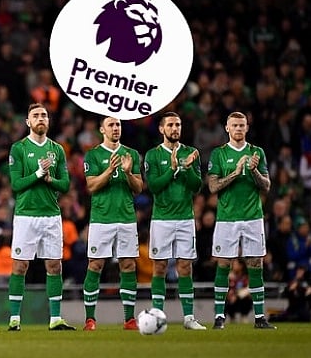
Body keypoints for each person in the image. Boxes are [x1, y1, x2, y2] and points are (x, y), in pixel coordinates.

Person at [6, 103, 75, 331]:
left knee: (54, 265)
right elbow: (16, 184)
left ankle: (55, 318)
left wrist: (49, 180)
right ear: (28, 122)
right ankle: (14, 318)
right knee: (19, 266)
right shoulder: (19, 148)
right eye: (35, 116)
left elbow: (65, 185)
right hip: (26, 215)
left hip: (51, 215)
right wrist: (37, 173)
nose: (40, 119)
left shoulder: (57, 149)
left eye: (44, 115)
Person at [207, 111, 276, 329]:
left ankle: (259, 318)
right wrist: (236, 173)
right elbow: (212, 187)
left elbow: (266, 186)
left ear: (247, 128)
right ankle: (219, 316)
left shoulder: (257, 152)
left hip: (252, 217)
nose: (238, 129)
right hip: (227, 218)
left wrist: (254, 171)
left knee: (256, 263)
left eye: (242, 125)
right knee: (224, 263)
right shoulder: (218, 154)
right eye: (234, 125)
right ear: (227, 128)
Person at [143, 112, 206, 330]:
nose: (175, 128)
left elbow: (197, 186)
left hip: (185, 218)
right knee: (159, 267)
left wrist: (187, 168)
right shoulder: (152, 155)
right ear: (161, 129)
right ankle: (158, 316)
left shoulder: (191, 153)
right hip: (162, 219)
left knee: (185, 267)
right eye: (170, 125)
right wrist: (172, 169)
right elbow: (153, 187)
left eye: (178, 124)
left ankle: (189, 318)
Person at [81, 116, 144, 331]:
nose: (116, 128)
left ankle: (129, 319)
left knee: (128, 265)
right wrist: (109, 170)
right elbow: (91, 186)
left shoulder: (132, 154)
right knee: (95, 265)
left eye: (118, 124)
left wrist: (127, 172)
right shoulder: (94, 155)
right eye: (111, 125)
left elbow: (138, 188)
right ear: (102, 130)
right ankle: (90, 319)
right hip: (101, 219)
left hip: (126, 218)